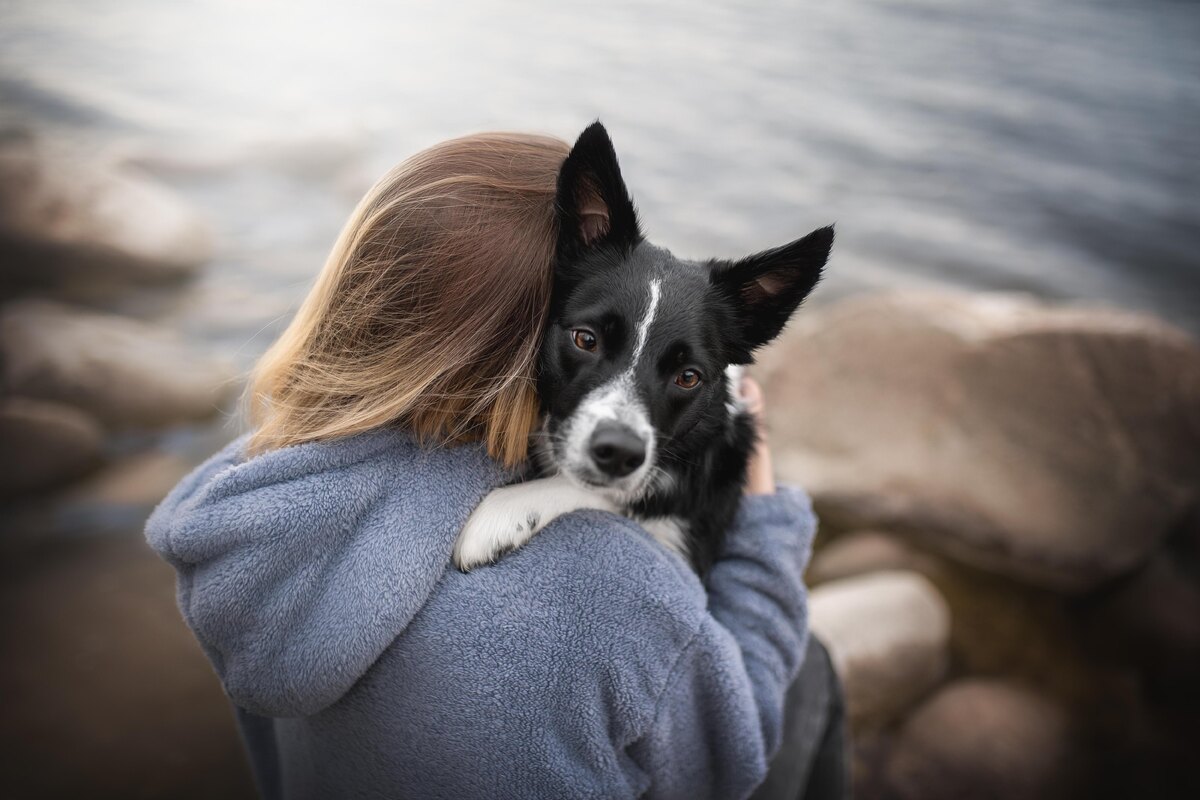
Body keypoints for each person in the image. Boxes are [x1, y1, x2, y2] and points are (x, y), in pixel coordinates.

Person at [146, 131, 847, 800]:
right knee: (808, 669)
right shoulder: (621, 596)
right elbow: (733, 754)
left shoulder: (260, 485)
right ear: (521, 338)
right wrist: (764, 530)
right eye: (581, 336)